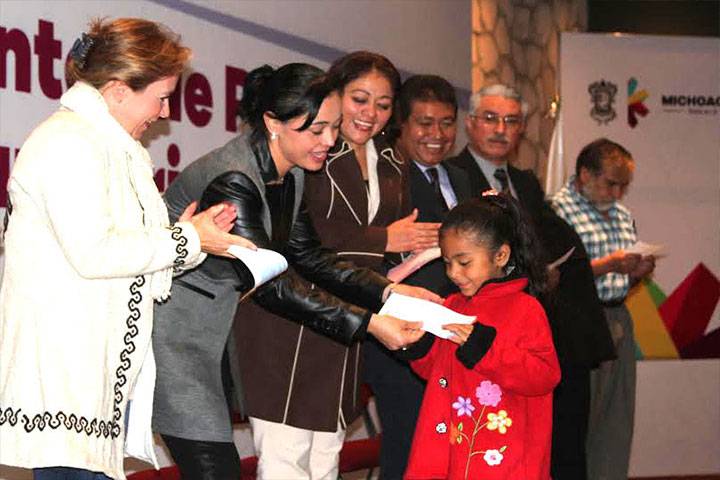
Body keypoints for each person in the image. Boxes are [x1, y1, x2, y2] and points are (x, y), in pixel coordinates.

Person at [152, 63, 439, 480]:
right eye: (317, 129)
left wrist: (388, 294)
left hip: (214, 335)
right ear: (273, 123)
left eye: (334, 128)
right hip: (177, 337)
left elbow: (310, 256)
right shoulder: (236, 177)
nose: (330, 142)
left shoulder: (292, 171)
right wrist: (372, 324)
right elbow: (271, 284)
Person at [0, 18, 252, 480]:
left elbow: (131, 254)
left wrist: (191, 237)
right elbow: (95, 253)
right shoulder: (68, 142)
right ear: (118, 91)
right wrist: (189, 238)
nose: (165, 112)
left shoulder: (111, 146)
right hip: (67, 373)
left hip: (92, 370)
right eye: (161, 97)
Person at [449, 84, 615, 479]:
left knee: (559, 442)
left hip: (543, 330)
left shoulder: (524, 182)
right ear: (470, 124)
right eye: (490, 118)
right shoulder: (452, 176)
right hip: (484, 336)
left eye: (511, 121)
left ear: (522, 129)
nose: (500, 129)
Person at [299, 52, 440, 477]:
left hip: (372, 312)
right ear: (334, 95)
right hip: (311, 312)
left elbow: (397, 237)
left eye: (383, 105)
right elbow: (303, 236)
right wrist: (383, 239)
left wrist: (419, 248)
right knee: (293, 455)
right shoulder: (313, 149)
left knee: (330, 453)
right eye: (359, 100)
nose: (370, 114)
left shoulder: (394, 160)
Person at [362, 74, 474, 478]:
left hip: (453, 336)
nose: (437, 135)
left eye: (446, 123)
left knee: (451, 450)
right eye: (425, 123)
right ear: (402, 125)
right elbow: (346, 253)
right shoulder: (380, 176)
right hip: (400, 337)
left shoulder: (461, 178)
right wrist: (389, 242)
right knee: (409, 449)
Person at [401, 195, 560, 479]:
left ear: (501, 256)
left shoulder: (525, 309)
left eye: (464, 262)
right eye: (447, 263)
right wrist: (419, 344)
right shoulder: (453, 304)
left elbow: (544, 376)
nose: (453, 273)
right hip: (447, 445)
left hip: (502, 458)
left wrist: (484, 349)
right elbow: (438, 372)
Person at [551, 138, 655, 480]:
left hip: (619, 316)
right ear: (585, 175)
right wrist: (608, 265)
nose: (617, 193)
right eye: (611, 183)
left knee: (616, 417)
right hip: (578, 320)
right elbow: (553, 275)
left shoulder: (623, 215)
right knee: (580, 419)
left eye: (623, 186)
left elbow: (625, 278)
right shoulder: (557, 210)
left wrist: (637, 272)